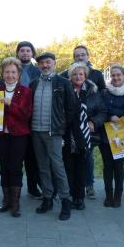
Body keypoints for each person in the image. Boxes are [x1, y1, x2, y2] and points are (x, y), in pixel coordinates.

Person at [30, 52, 81, 221]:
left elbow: (72, 108)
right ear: (38, 66)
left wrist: (62, 127)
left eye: (48, 62)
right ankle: (47, 198)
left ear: (54, 63)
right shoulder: (34, 83)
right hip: (36, 131)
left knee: (58, 167)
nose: (45, 65)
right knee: (43, 167)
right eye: (42, 63)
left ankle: (66, 201)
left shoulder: (63, 83)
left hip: (54, 133)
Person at [0, 57, 33, 217]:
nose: (10, 75)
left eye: (13, 72)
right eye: (7, 72)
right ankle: (6, 200)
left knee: (15, 168)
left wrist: (9, 103)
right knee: (3, 167)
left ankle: (15, 203)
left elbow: (25, 115)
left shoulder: (26, 91)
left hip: (19, 135)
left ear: (19, 74)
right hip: (0, 136)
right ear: (3, 74)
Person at [60, 45, 106, 200]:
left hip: (87, 132)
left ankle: (87, 186)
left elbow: (102, 110)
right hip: (68, 133)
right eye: (75, 74)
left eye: (81, 74)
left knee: (86, 160)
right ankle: (69, 191)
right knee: (69, 163)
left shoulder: (94, 89)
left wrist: (93, 122)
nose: (78, 76)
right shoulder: (65, 90)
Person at [99, 65, 124, 208]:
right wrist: (110, 115)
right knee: (107, 167)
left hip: (122, 134)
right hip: (105, 134)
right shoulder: (104, 93)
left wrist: (113, 113)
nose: (116, 78)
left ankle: (118, 196)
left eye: (118, 75)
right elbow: (101, 109)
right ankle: (108, 195)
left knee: (119, 167)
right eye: (113, 75)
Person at [15, 41, 42, 198]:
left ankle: (33, 187)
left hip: (32, 118)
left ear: (32, 53)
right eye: (22, 51)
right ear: (18, 53)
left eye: (28, 51)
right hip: (13, 119)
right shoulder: (10, 68)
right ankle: (13, 190)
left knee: (32, 158)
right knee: (15, 158)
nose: (25, 53)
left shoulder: (38, 71)